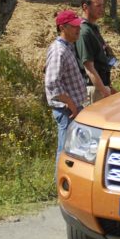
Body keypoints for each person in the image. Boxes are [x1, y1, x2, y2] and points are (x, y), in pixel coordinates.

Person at [44, 10, 87, 156]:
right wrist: (71, 105)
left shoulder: (67, 47)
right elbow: (52, 83)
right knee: (65, 151)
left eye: (78, 26)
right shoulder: (58, 51)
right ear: (62, 28)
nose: (78, 29)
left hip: (72, 109)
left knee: (74, 150)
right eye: (74, 26)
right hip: (67, 110)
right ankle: (60, 179)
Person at [76, 0, 116, 104]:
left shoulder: (92, 28)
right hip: (93, 91)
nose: (102, 9)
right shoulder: (83, 31)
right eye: (98, 6)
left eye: (103, 5)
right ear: (85, 7)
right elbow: (89, 68)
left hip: (100, 88)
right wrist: (105, 92)